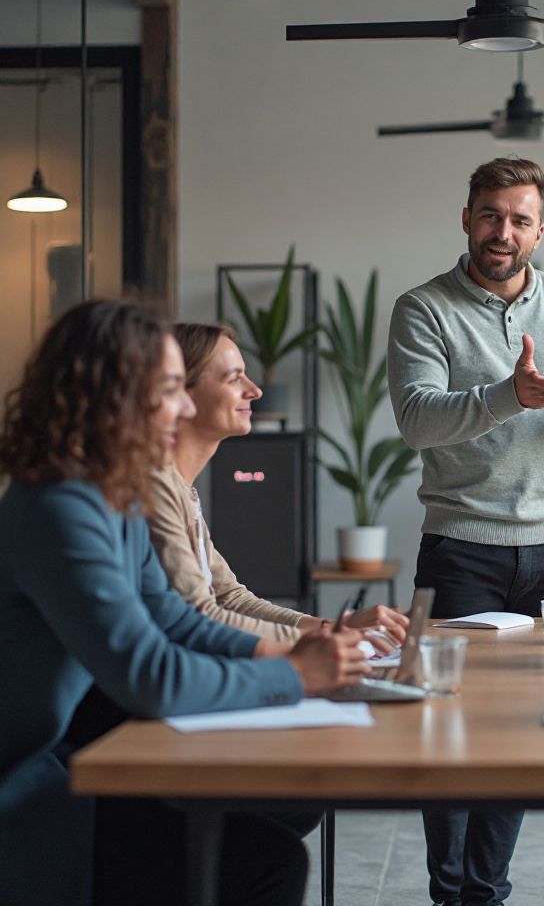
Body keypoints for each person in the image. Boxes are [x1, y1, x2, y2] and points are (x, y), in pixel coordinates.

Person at [0, 300, 370, 906]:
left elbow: (175, 617)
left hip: (75, 756)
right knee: (267, 865)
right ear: (117, 393)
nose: (185, 406)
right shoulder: (60, 506)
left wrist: (291, 649)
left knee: (270, 840)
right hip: (33, 776)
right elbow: (150, 673)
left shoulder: (107, 494)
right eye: (171, 388)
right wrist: (292, 675)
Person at [388, 156, 544, 906]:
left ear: (540, 230)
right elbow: (417, 419)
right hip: (462, 546)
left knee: (525, 729)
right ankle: (451, 892)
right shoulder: (423, 307)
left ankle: (487, 890)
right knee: (448, 727)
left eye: (520, 219)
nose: (504, 232)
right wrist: (507, 396)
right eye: (491, 215)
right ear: (466, 218)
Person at [146, 322, 408, 647]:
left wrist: (334, 628)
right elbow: (202, 614)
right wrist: (324, 642)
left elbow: (231, 598)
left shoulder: (182, 490)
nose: (254, 390)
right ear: (180, 392)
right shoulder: (156, 487)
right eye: (233, 378)